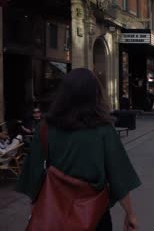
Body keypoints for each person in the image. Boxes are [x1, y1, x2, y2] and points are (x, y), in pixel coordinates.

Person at [17, 68, 140, 230]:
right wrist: (130, 213)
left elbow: (34, 174)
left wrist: (36, 209)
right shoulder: (103, 129)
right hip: (94, 214)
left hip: (54, 212)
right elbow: (118, 175)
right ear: (95, 95)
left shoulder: (45, 127)